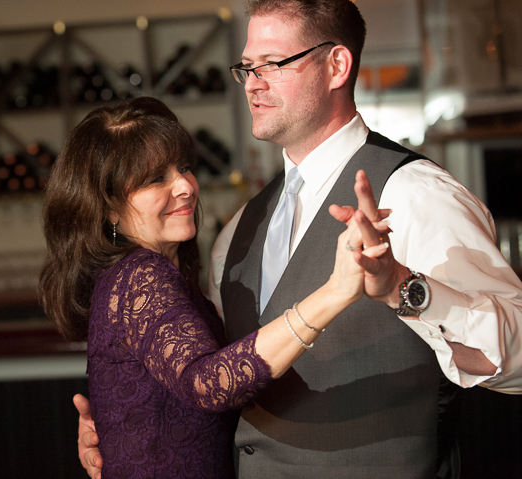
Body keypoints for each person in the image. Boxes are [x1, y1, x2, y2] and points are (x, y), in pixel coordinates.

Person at [75, 1, 522, 478]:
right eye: (246, 67)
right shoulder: (237, 233)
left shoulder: (415, 196)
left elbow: (517, 360)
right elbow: (212, 376)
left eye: (272, 64)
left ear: (336, 66)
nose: (252, 82)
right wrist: (125, 423)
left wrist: (401, 286)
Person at [39, 96, 390, 478]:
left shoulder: (151, 273)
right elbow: (208, 383)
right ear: (107, 207)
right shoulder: (140, 274)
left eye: (184, 167)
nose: (186, 186)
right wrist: (336, 290)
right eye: (157, 179)